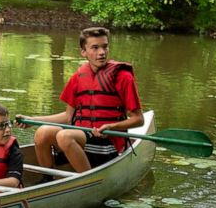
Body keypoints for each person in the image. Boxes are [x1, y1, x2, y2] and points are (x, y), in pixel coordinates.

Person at [17, 26, 143, 173]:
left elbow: (139, 120)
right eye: (95, 48)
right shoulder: (78, 77)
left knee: (65, 135)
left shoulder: (123, 77)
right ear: (83, 52)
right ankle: (49, 179)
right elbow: (68, 117)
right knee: (42, 132)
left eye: (105, 47)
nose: (101, 52)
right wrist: (32, 120)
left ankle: (88, 181)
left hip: (108, 142)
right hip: (81, 137)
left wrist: (111, 127)